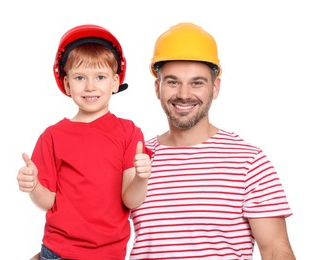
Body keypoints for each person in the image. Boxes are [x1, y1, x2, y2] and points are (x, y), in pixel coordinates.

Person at [129, 23, 296, 259]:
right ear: (158, 87)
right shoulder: (137, 160)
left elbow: (275, 250)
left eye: (197, 82)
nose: (184, 94)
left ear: (215, 87)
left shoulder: (249, 162)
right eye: (173, 82)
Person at [17, 24, 151, 260]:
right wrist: (34, 185)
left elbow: (130, 199)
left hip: (109, 254)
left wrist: (141, 177)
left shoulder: (129, 132)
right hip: (58, 251)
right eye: (80, 77)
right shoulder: (52, 136)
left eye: (100, 77)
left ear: (115, 82)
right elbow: (48, 201)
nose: (90, 86)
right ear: (67, 84)